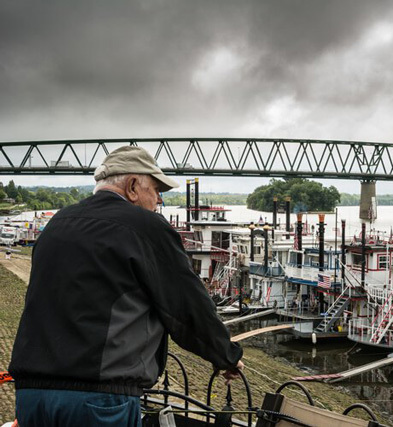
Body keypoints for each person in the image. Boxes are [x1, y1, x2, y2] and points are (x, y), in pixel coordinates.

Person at [9, 146, 244, 427]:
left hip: (32, 395)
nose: (159, 200)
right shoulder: (145, 227)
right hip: (98, 400)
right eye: (157, 190)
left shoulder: (58, 224)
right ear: (133, 186)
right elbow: (186, 308)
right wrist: (226, 356)